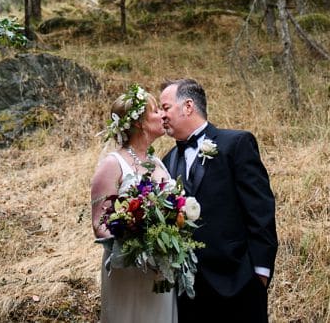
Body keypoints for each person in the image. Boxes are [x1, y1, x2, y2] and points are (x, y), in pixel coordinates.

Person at [160, 78, 278, 323]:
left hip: (238, 280)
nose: (162, 115)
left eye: (166, 107)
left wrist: (260, 271)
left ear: (188, 106)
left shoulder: (235, 143)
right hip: (187, 290)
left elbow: (260, 208)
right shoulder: (167, 160)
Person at [90, 85, 178, 323]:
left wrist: (171, 239)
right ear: (139, 122)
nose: (162, 115)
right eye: (156, 111)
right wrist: (138, 242)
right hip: (128, 270)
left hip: (160, 269)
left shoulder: (159, 163)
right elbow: (100, 225)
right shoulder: (113, 164)